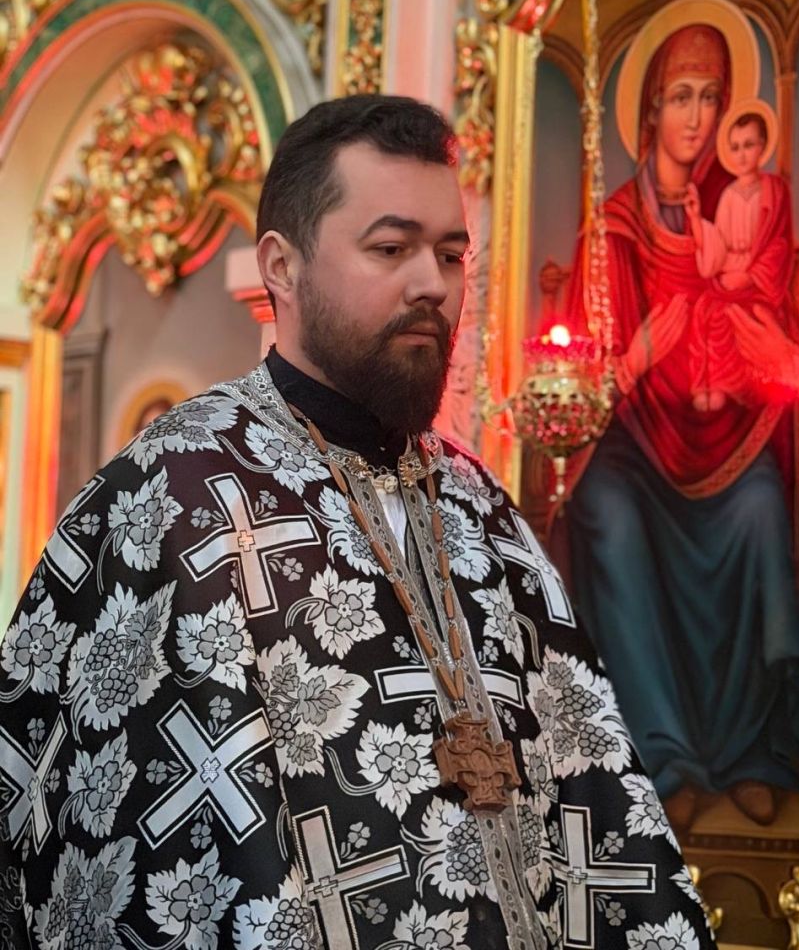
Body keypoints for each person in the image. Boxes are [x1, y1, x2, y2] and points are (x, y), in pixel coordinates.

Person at [0, 95, 713, 949]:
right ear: (282, 266)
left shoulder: (482, 511)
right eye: (391, 248)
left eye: (451, 254)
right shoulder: (175, 495)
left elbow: (593, 781)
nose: (433, 284)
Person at [566, 23, 799, 831]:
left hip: (726, 437)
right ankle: (661, 755)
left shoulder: (741, 210)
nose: (698, 118)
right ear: (649, 112)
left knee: (762, 509)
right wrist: (637, 354)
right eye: (680, 98)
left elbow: (769, 327)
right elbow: (580, 378)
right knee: (604, 510)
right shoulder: (613, 229)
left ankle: (753, 753)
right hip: (634, 441)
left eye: (711, 97)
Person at [684, 108, 791, 411]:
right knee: (704, 309)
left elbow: (780, 244)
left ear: (763, 146)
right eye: (735, 147)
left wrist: (751, 276)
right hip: (727, 274)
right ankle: (706, 385)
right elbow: (718, 243)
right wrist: (696, 219)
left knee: (728, 315)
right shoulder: (729, 195)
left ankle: (728, 385)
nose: (742, 155)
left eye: (749, 145)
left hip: (757, 282)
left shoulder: (774, 190)